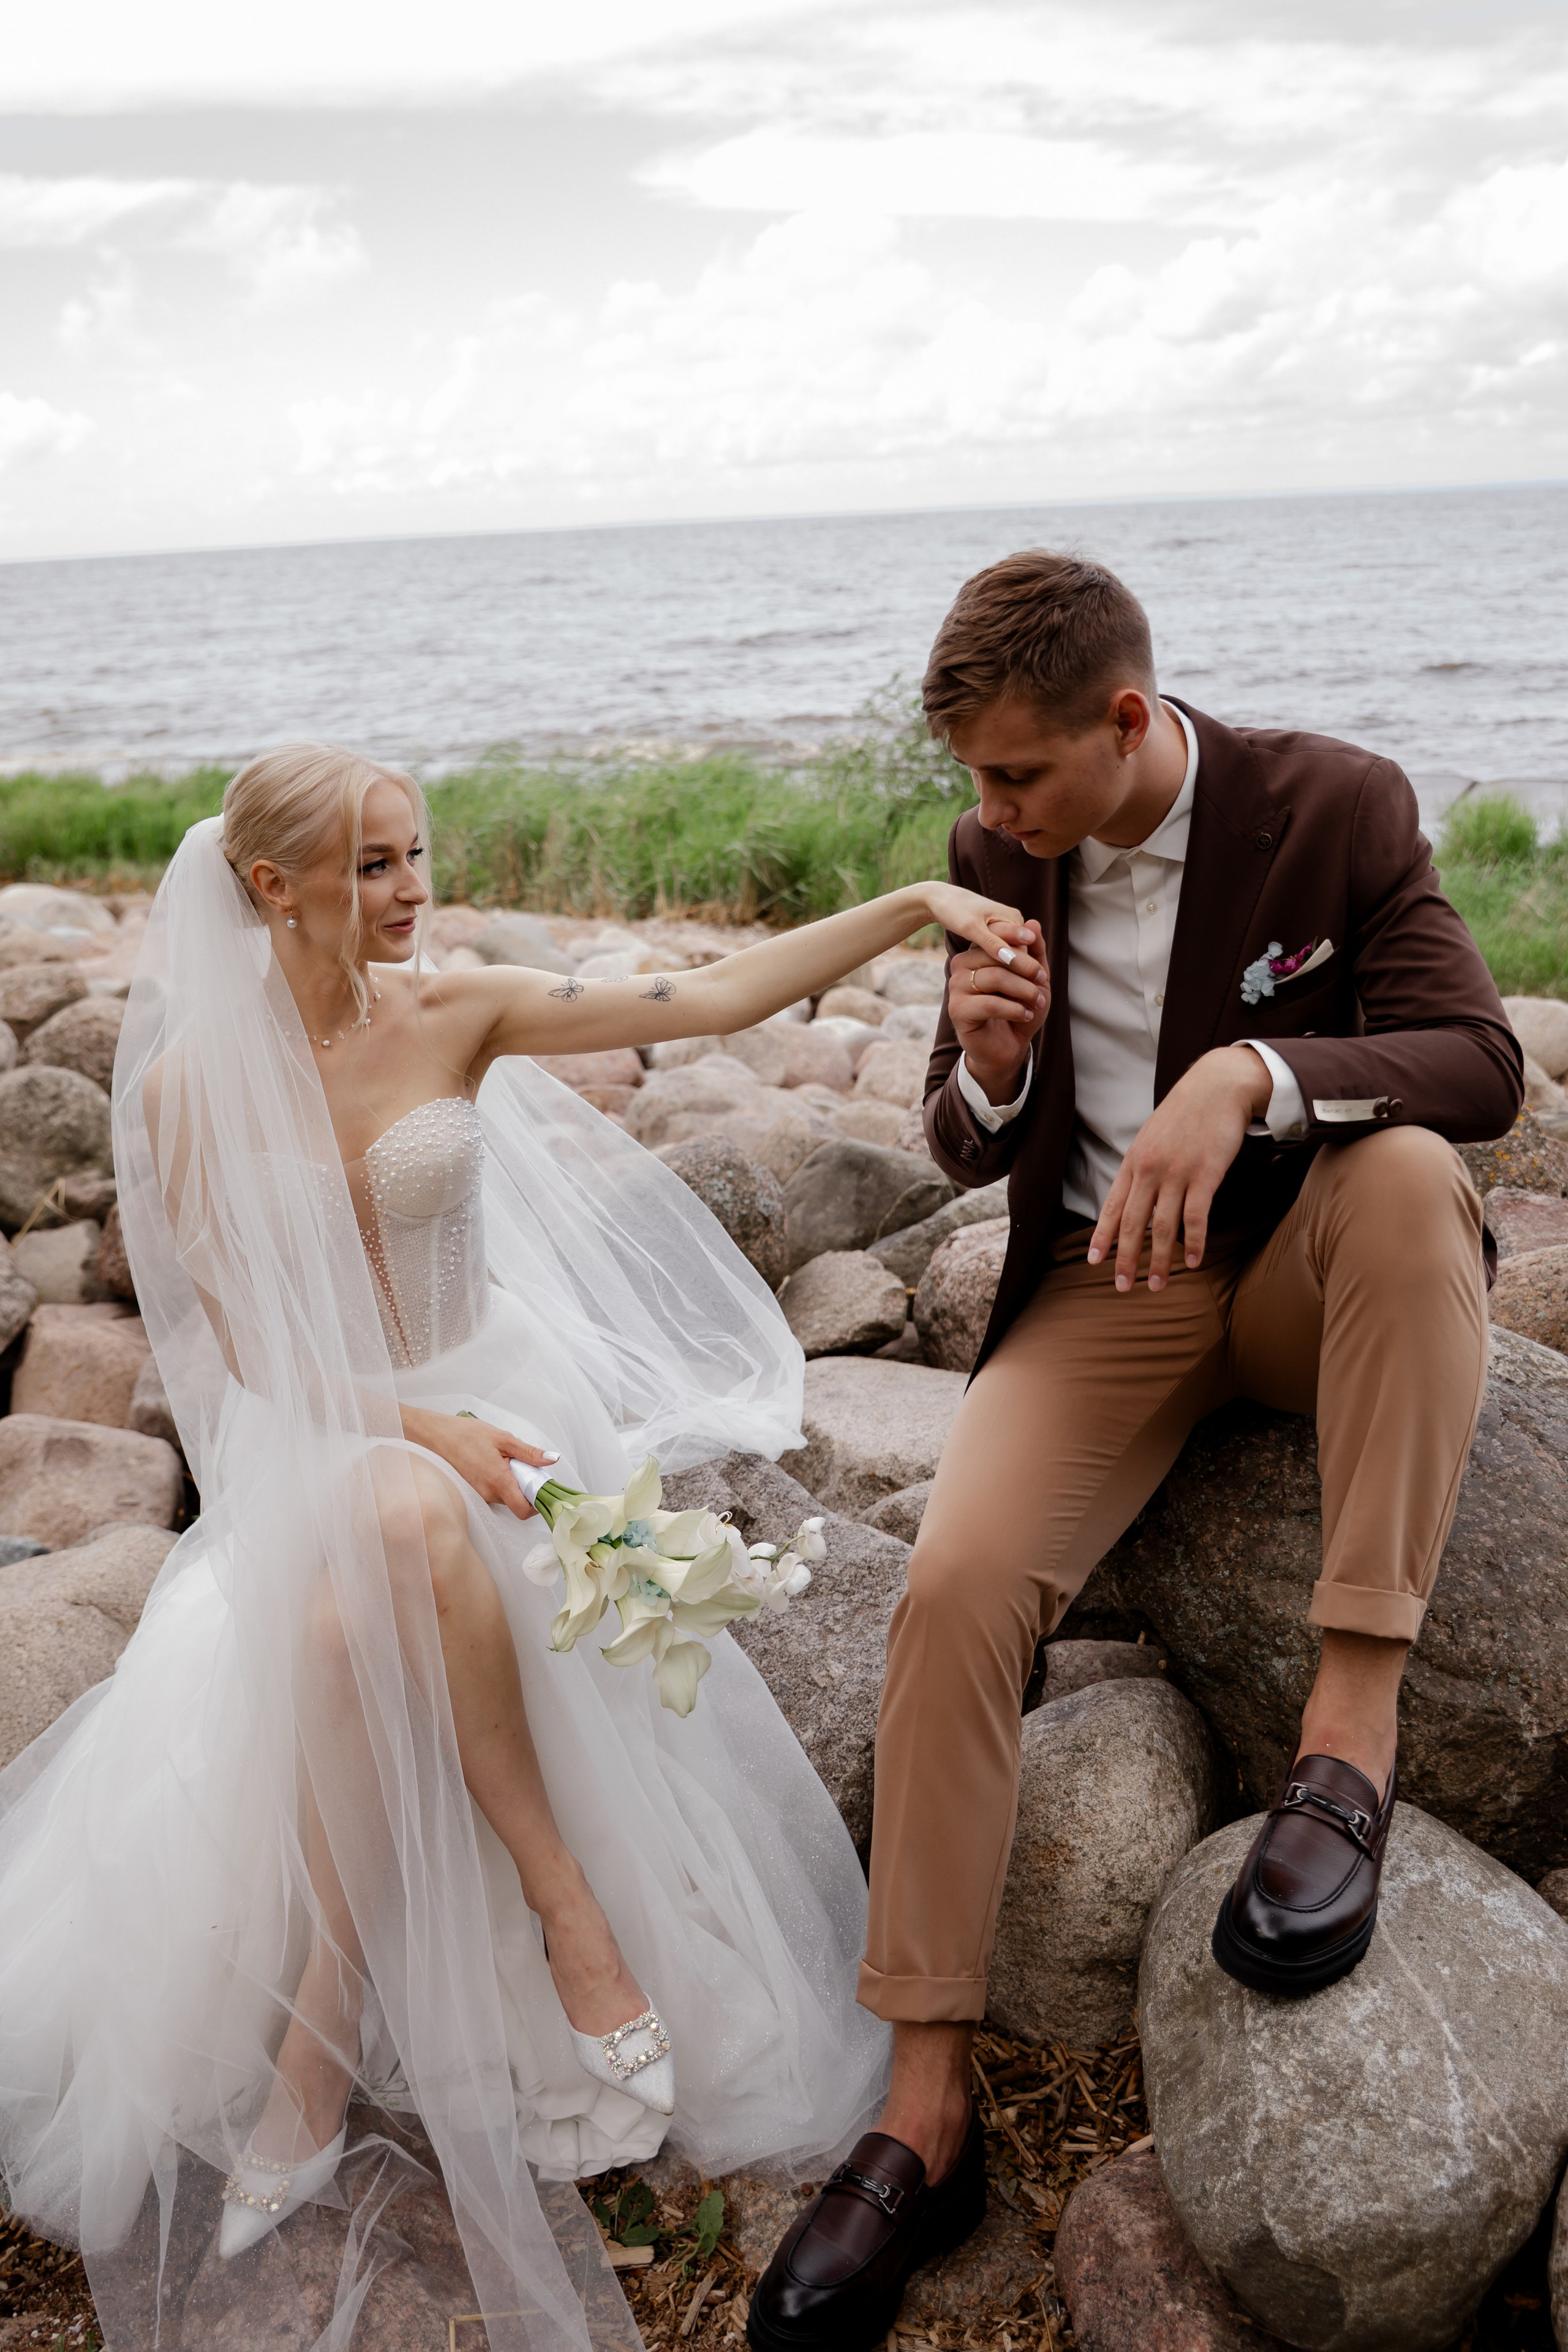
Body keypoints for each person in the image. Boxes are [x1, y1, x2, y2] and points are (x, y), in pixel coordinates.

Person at [0, 744, 1030, 2352]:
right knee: (397, 1522)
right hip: (345, 1429)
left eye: (418, 856)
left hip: (497, 1397)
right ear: (270, 888)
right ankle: (566, 1904)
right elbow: (254, 1356)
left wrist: (908, 902)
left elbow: (707, 1007)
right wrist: (420, 1436)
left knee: (349, 1632)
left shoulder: (460, 1008)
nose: (414, 895)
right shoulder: (186, 1087)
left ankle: (320, 2040)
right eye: (374, 869)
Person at [747, 551, 1522, 2352]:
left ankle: (1348, 1734)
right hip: (1104, 1293)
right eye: (977, 782)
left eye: (1019, 775)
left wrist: (1256, 1070)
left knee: (1415, 1175)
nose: (989, 813)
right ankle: (923, 2099)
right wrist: (992, 1073)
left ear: (1123, 718)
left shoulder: (1331, 807)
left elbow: (1480, 1063)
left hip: (1306, 1259)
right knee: (948, 1590)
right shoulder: (999, 852)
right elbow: (958, 1142)